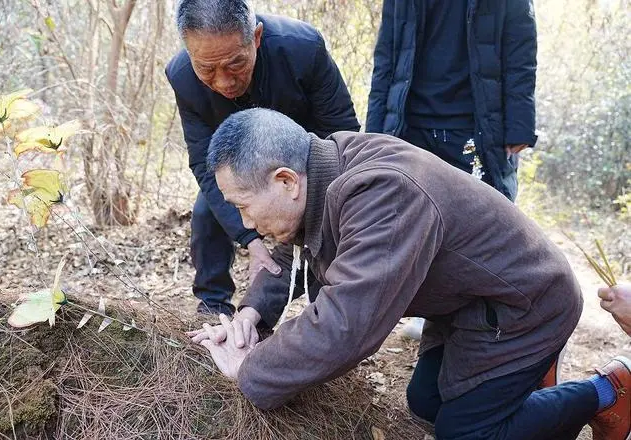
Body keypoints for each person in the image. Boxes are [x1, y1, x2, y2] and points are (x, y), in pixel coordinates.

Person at [194, 108, 630, 440]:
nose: (246, 225)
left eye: (243, 207)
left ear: (286, 181)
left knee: (463, 433)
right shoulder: (323, 170)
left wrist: (250, 369)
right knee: (425, 402)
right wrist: (252, 314)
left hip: (525, 304)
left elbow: (347, 323)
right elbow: (295, 252)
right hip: (469, 301)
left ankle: (608, 391)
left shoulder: (384, 192)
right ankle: (523, 384)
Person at [165, 0, 359, 316]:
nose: (224, 82)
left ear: (256, 37)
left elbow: (342, 130)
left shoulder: (302, 49)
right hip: (238, 163)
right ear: (190, 54)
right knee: (206, 212)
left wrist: (318, 196)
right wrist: (252, 242)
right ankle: (213, 305)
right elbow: (202, 161)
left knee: (321, 218)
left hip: (308, 159)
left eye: (235, 65)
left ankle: (327, 305)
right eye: (207, 69)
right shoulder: (182, 76)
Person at [366, 0, 538, 202]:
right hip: (409, 130)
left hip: (477, 133)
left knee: (479, 226)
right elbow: (387, 54)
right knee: (406, 226)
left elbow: (520, 49)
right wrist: (373, 134)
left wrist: (519, 126)